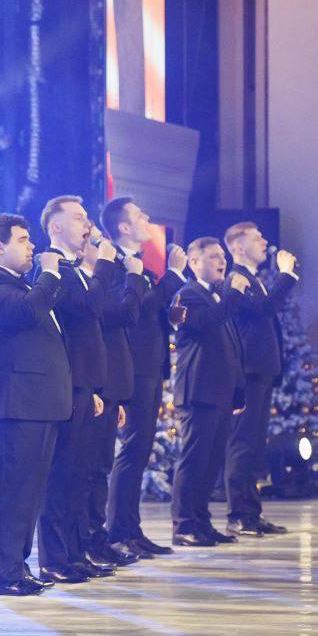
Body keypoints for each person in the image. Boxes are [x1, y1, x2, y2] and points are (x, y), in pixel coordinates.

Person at [0, 214, 72, 595]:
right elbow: (26, 312)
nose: (32, 247)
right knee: (10, 491)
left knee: (28, 491)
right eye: (23, 240)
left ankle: (16, 567)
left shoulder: (15, 285)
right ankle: (2, 574)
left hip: (31, 404)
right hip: (8, 404)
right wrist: (50, 274)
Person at [35, 195, 114, 584]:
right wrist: (105, 265)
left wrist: (94, 387)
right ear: (56, 227)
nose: (88, 225)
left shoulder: (77, 270)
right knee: (61, 474)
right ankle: (54, 557)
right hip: (64, 384)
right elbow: (90, 307)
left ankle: (75, 551)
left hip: (83, 384)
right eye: (80, 218)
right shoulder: (54, 269)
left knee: (80, 473)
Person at [100, 197, 184, 557]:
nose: (147, 217)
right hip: (131, 367)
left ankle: (132, 529)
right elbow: (133, 309)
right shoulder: (116, 265)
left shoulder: (141, 267)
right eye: (139, 215)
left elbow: (150, 310)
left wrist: (170, 316)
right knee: (132, 448)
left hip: (149, 365)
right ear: (123, 227)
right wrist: (173, 275)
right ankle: (118, 530)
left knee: (141, 448)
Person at [169, 237, 248, 547]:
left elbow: (232, 348)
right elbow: (206, 324)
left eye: (222, 256)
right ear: (194, 262)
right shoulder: (188, 294)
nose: (222, 261)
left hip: (220, 393)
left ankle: (201, 522)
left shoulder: (217, 297)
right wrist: (232, 293)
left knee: (211, 462)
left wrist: (238, 391)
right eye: (214, 256)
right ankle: (183, 525)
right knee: (194, 459)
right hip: (198, 391)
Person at [222, 222, 298, 538]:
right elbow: (263, 310)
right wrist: (286, 275)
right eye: (257, 238)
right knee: (243, 444)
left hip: (261, 371)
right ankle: (239, 514)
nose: (265, 242)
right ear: (238, 248)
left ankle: (251, 512)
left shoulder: (254, 279)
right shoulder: (236, 279)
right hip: (248, 373)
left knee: (254, 445)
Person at [78, 223, 146, 564]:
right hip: (97, 386)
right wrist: (135, 279)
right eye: (96, 243)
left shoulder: (100, 283)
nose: (105, 248)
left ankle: (97, 538)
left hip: (111, 386)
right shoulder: (89, 283)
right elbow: (125, 314)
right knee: (90, 468)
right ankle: (87, 541)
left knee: (101, 466)